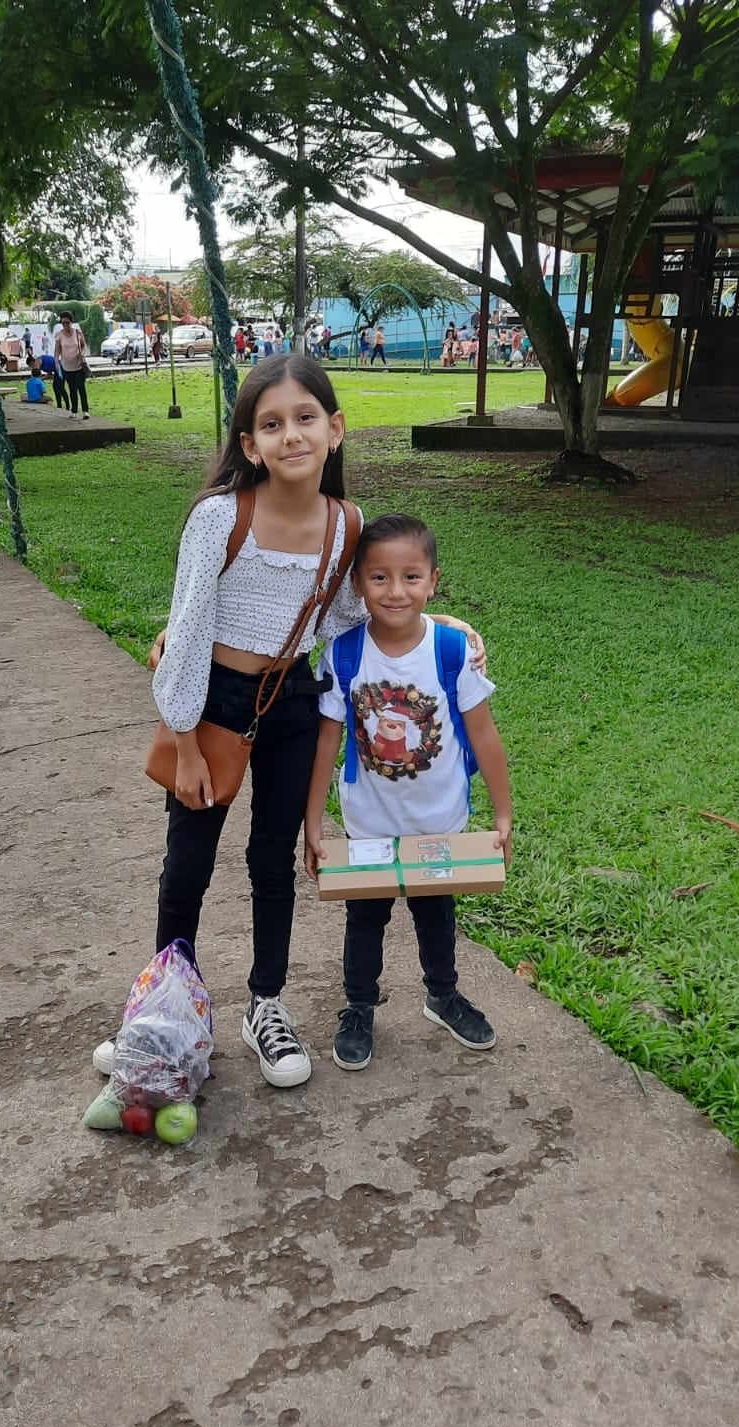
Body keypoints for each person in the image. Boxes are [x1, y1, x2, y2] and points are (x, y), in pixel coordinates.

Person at [91, 354, 485, 1089]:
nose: (291, 435)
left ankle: (264, 1004)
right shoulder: (219, 517)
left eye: (306, 418)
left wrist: (444, 622)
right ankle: (169, 1011)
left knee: (272, 864)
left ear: (334, 430)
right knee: (188, 866)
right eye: (271, 424)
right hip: (210, 706)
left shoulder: (349, 525)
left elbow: (349, 618)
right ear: (250, 444)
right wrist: (182, 740)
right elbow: (189, 624)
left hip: (293, 705)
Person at [304, 513, 512, 1071]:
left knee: (435, 912)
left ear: (433, 581)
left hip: (438, 820)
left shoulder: (451, 651)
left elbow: (484, 732)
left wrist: (504, 812)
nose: (396, 592)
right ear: (357, 585)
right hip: (369, 821)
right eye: (379, 578)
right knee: (364, 919)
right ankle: (358, 1007)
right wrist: (314, 823)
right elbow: (327, 742)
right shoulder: (343, 656)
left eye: (411, 577)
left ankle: (443, 996)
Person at [54, 312, 90, 419]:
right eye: (63, 323)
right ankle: (74, 410)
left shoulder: (78, 332)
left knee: (81, 388)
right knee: (72, 389)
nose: (65, 325)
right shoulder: (59, 335)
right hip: (67, 367)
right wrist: (56, 361)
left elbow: (84, 346)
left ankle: (85, 411)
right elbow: (57, 350)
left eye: (67, 323)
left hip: (78, 365)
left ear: (71, 322)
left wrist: (82, 354)